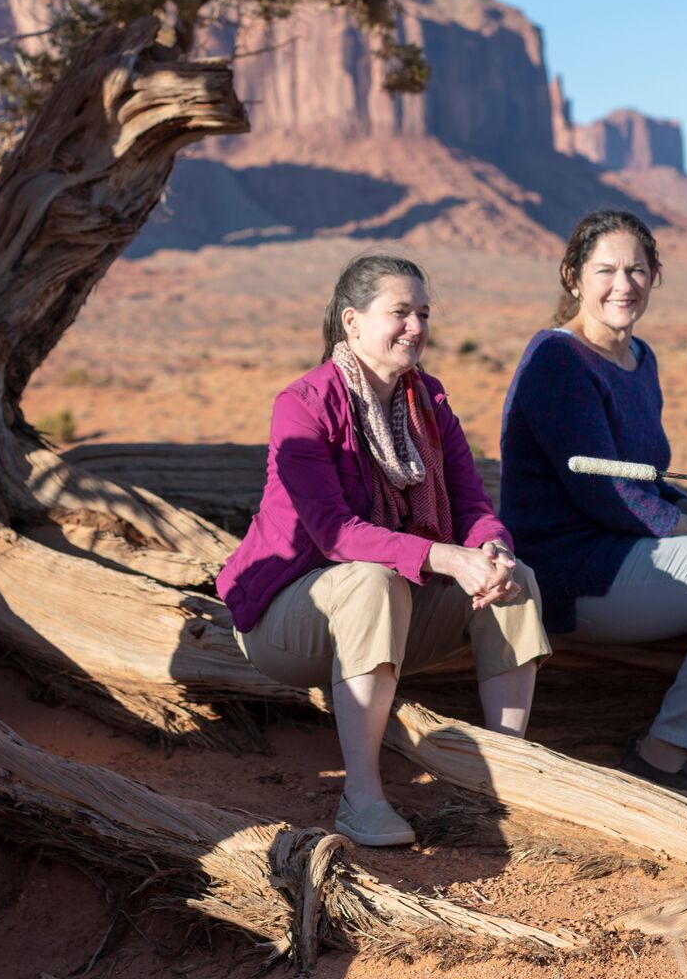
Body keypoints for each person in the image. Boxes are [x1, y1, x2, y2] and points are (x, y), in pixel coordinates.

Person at [217, 254, 549, 847]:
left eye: (422, 313)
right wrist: (449, 559)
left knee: (515, 577)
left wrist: (491, 551)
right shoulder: (304, 403)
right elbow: (335, 534)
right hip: (288, 624)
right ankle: (361, 797)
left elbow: (472, 505)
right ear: (352, 321)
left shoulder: (430, 402)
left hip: (391, 612)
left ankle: (506, 779)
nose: (416, 327)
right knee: (372, 577)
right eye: (400, 313)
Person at [499, 210, 687, 800]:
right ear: (572, 277)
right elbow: (604, 491)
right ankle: (662, 754)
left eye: (638, 269)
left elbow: (648, 477)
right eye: (606, 269)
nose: (624, 284)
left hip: (628, 553)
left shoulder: (642, 358)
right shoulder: (558, 361)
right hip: (575, 568)